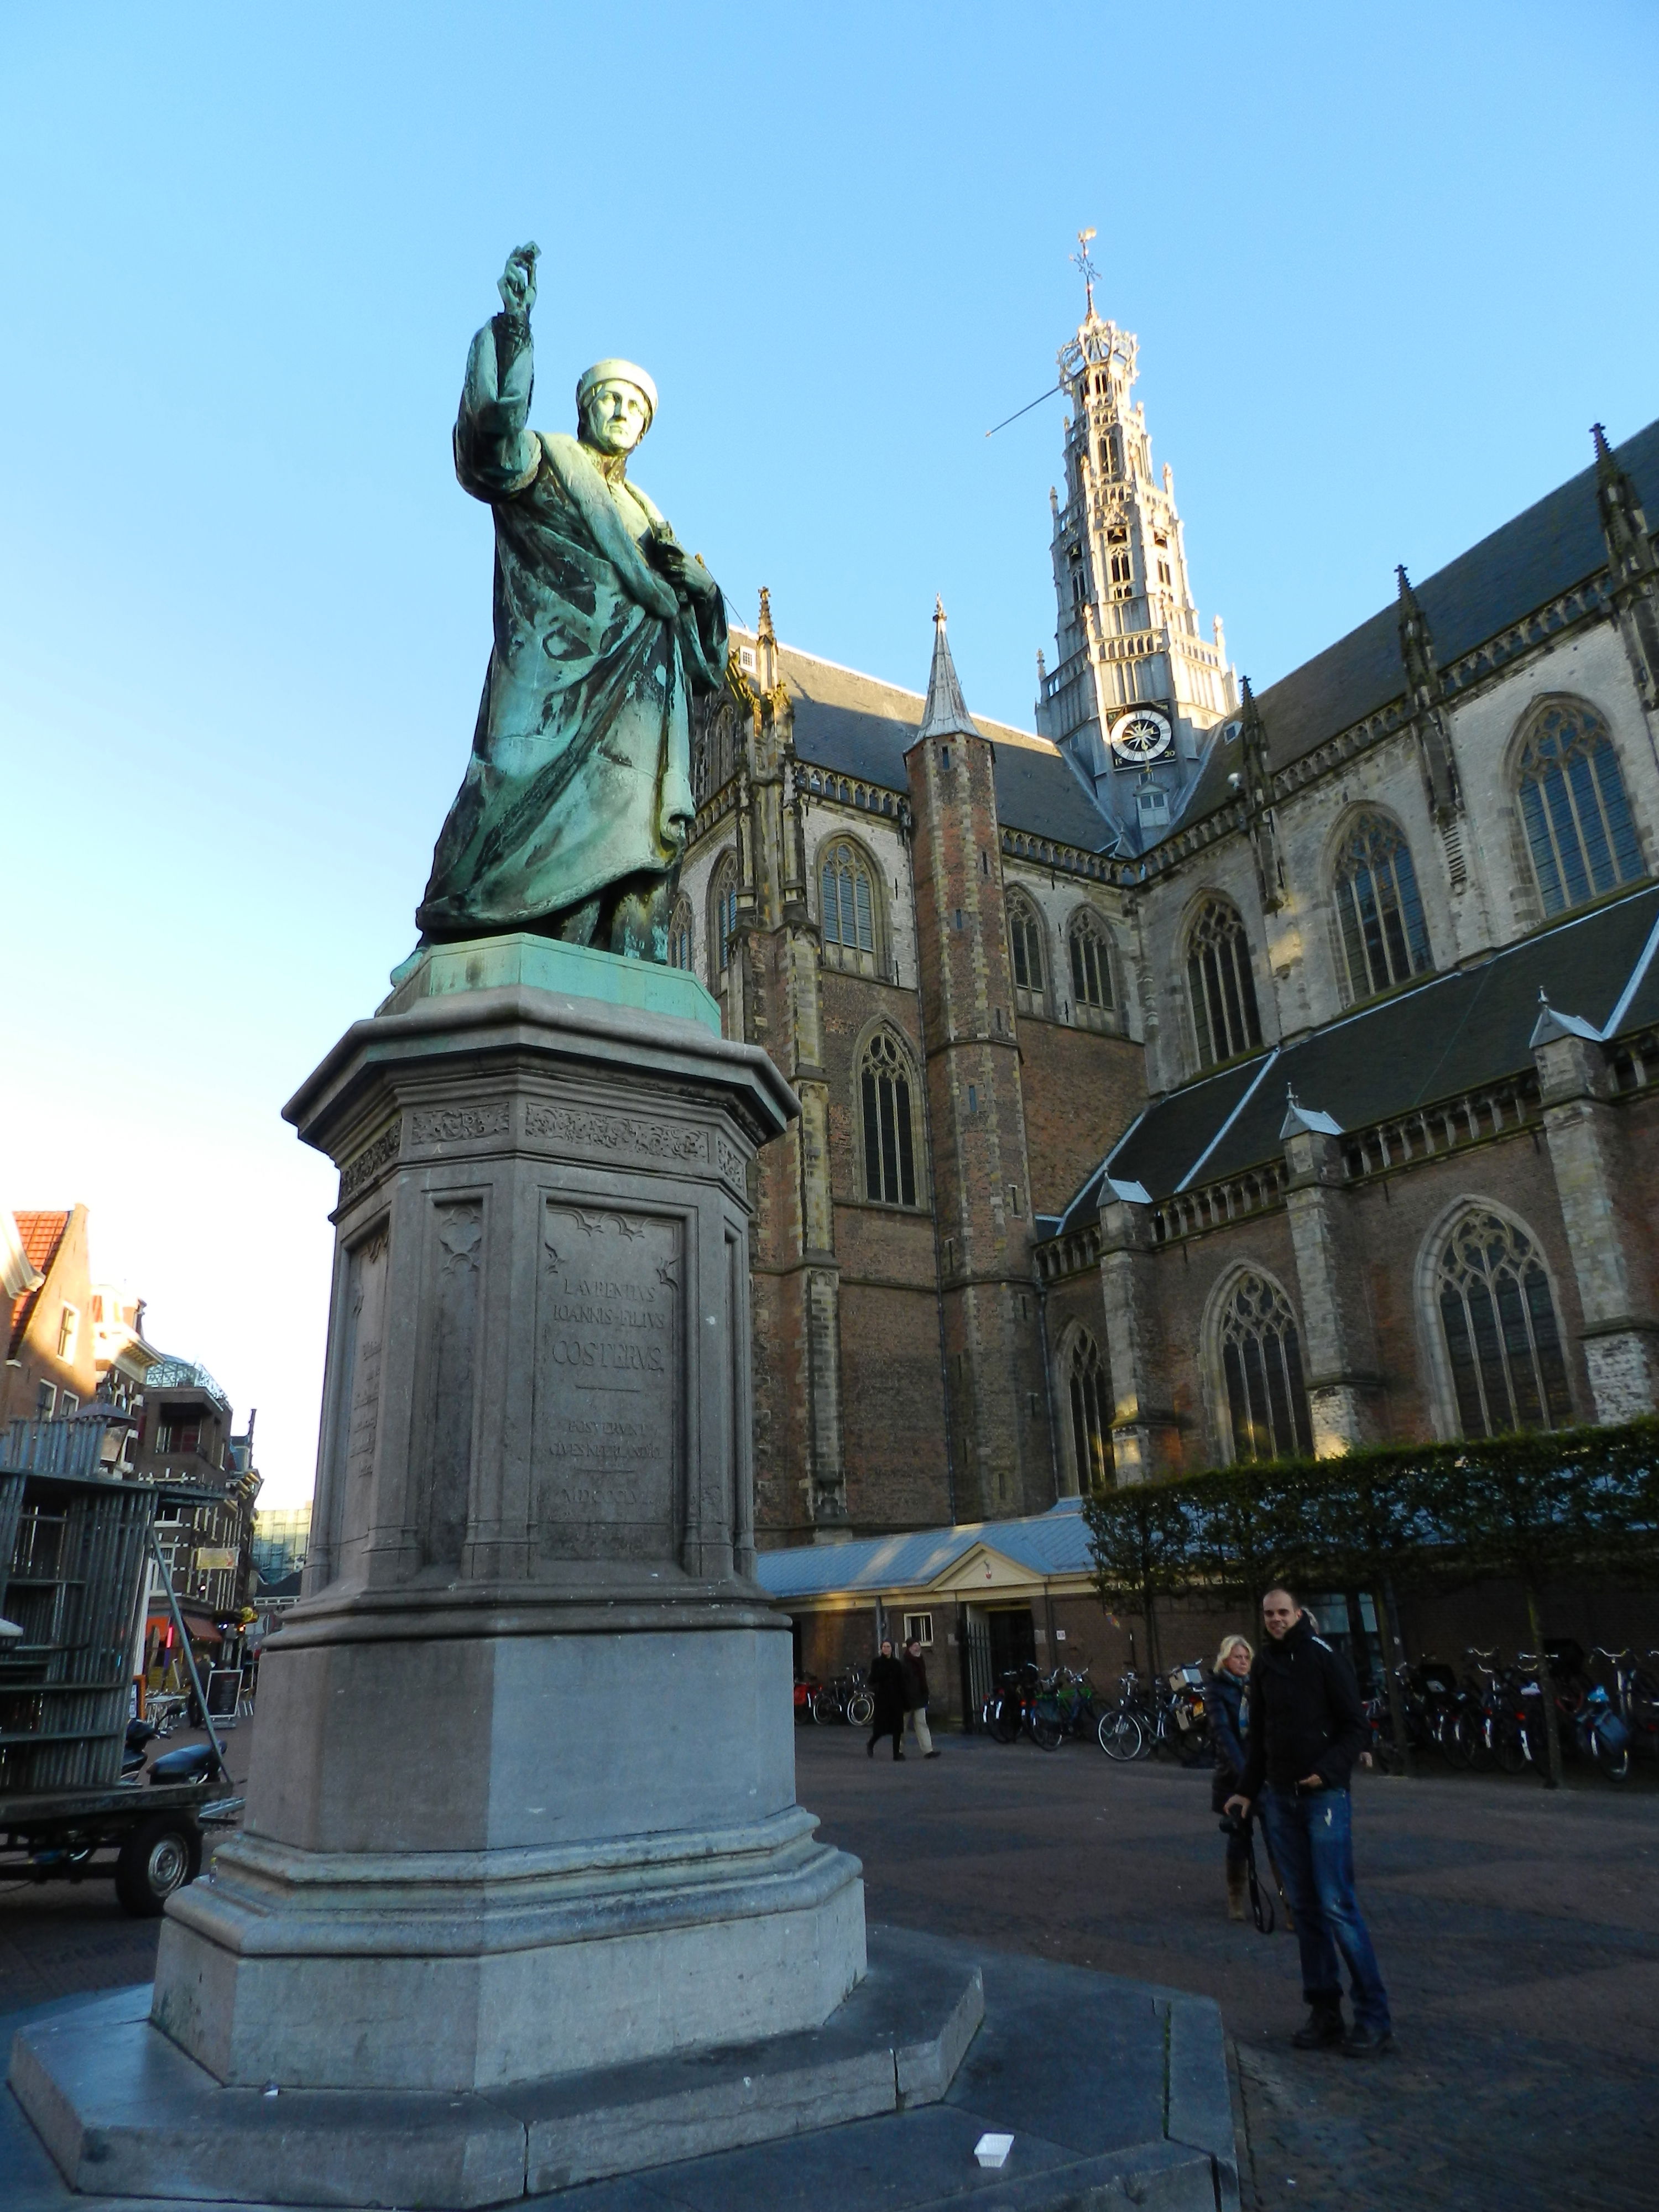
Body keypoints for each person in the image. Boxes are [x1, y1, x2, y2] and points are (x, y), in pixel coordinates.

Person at [1225, 1586, 1393, 2058]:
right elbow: (1259, 1736)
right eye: (1269, 1614)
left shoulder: (1324, 1657)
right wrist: (1245, 1788)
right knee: (1304, 1906)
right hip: (1280, 1797)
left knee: (1337, 1903)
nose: (1276, 1620)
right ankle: (1324, 2011)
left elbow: (1356, 1725)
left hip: (1324, 1797)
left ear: (1298, 1614)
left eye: (1283, 1612)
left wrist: (1330, 1770)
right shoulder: (1262, 1666)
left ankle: (1375, 2016)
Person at [1209, 1633, 1253, 1921]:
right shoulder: (1217, 1690)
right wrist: (1245, 1773)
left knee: (1277, 1837)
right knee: (1239, 1835)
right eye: (1238, 1657)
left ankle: (1290, 1903)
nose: (1243, 1662)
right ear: (1225, 1660)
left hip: (1264, 1773)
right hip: (1235, 1775)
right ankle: (1235, 1895)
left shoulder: (1256, 1689)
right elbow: (1223, 1733)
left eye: (1247, 1657)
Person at [900, 1638, 941, 1759]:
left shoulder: (920, 1660)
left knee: (922, 1724)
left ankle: (928, 1751)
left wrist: (925, 1694)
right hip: (907, 1700)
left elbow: (922, 1680)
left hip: (919, 1698)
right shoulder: (904, 1663)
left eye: (918, 1645)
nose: (918, 1647)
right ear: (909, 1648)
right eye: (915, 1645)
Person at [867, 1639, 906, 1761]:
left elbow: (901, 1681)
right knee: (881, 1728)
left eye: (888, 1647)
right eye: (884, 1647)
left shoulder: (897, 1664)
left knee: (897, 1728)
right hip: (883, 1699)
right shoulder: (877, 1662)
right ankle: (871, 1743)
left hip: (896, 1699)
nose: (886, 1649)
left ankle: (896, 1754)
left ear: (892, 1649)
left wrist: (904, 1699)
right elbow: (872, 1679)